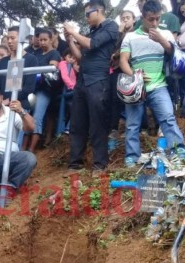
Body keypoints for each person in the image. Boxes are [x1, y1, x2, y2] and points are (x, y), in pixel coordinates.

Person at [120, 0, 185, 168]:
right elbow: (123, 61)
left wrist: (161, 40)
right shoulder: (130, 36)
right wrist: (136, 77)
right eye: (151, 19)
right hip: (136, 87)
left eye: (157, 19)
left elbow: (175, 54)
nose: (155, 23)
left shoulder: (165, 34)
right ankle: (131, 157)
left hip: (159, 85)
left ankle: (178, 150)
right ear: (142, 17)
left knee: (167, 117)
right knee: (133, 124)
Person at [63, 0, 119, 176]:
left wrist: (74, 31)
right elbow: (80, 57)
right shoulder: (90, 32)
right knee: (77, 123)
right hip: (83, 81)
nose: (86, 17)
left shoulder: (110, 26)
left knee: (97, 123)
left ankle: (99, 164)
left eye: (89, 13)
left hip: (99, 80)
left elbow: (92, 44)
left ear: (100, 10)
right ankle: (75, 164)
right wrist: (70, 40)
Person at [31, 29, 62, 151]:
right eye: (40, 40)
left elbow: (50, 70)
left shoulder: (54, 54)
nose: (42, 42)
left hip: (45, 90)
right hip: (33, 88)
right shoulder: (36, 54)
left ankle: (32, 149)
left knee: (37, 117)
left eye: (45, 40)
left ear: (51, 40)